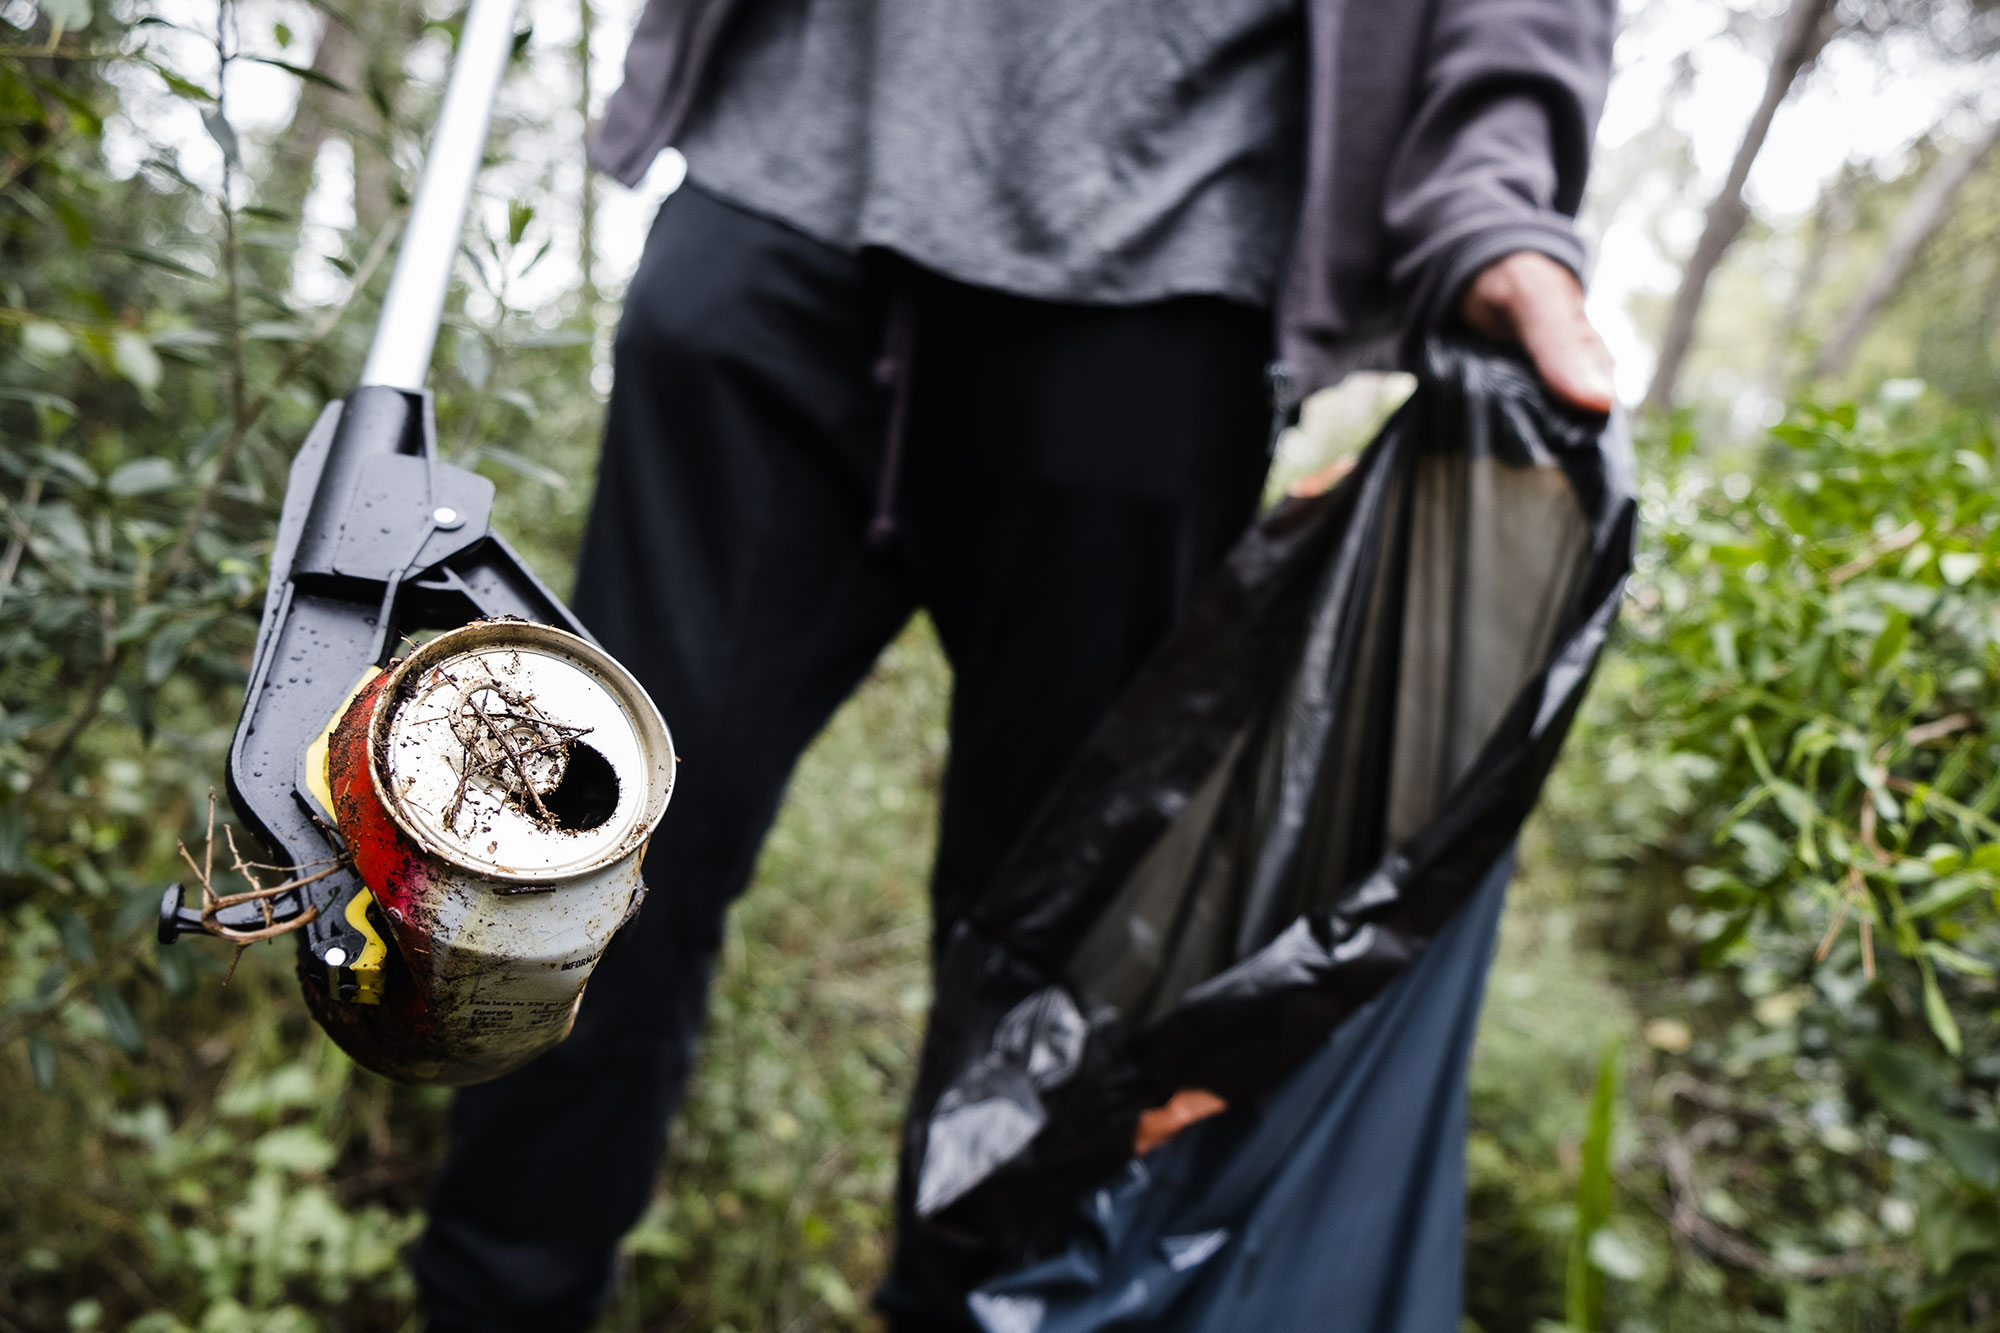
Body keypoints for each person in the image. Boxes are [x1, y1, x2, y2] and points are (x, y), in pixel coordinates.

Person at [413, 0, 1618, 1328]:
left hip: (1166, 268)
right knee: (583, 862)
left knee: (1045, 986)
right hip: (782, 185)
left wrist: (1496, 199)